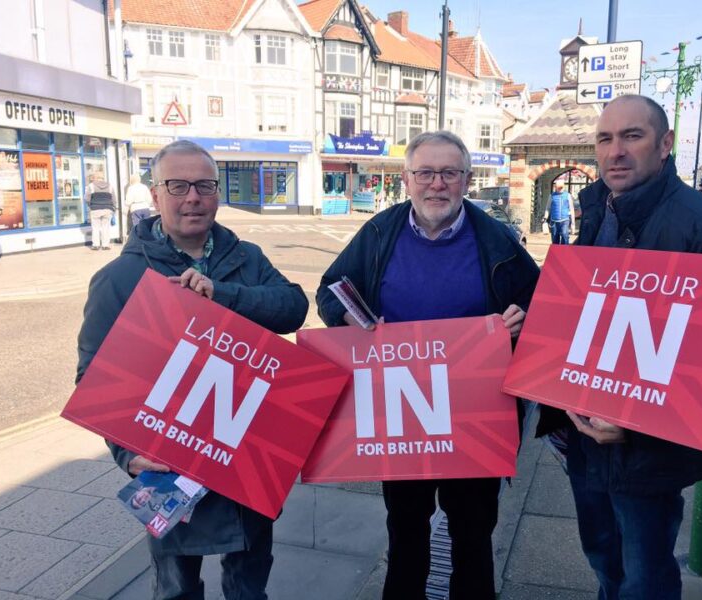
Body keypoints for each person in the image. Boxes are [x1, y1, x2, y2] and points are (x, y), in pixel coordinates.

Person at [76, 140, 308, 600]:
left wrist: (220, 294)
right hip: (170, 462)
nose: (193, 197)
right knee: (177, 589)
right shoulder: (120, 279)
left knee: (250, 582)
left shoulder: (247, 258)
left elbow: (293, 308)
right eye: (177, 185)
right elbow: (92, 381)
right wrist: (128, 455)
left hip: (245, 453)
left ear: (217, 193)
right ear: (155, 195)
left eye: (204, 185)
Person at [537, 95, 702, 600]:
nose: (616, 151)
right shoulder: (591, 207)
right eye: (605, 139)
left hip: (648, 449)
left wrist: (634, 419)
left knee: (645, 576)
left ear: (665, 144)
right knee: (602, 556)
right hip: (583, 434)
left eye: (633, 136)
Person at [317, 130, 540, 600]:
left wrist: (523, 323)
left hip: (476, 414)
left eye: (449, 173)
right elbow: (331, 289)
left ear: (466, 180)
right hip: (401, 414)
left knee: (473, 534)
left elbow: (544, 310)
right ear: (407, 179)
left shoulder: (497, 239)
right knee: (406, 529)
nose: (436, 184)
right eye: (425, 173)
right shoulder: (379, 232)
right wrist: (351, 319)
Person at [85, 173, 116, 250]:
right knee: (106, 227)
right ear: (103, 178)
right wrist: (113, 208)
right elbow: (114, 199)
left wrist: (90, 205)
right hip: (107, 209)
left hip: (95, 209)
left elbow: (87, 198)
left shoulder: (91, 186)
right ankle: (105, 245)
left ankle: (96, 245)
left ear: (96, 178)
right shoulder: (110, 186)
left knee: (95, 228)